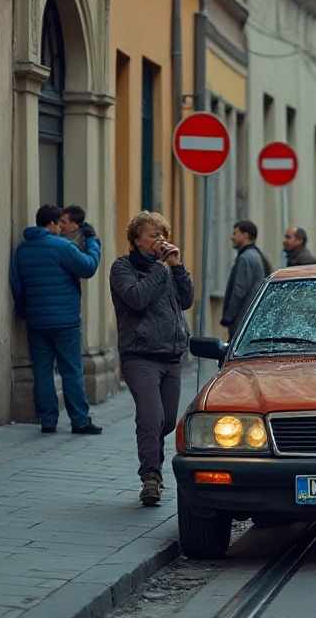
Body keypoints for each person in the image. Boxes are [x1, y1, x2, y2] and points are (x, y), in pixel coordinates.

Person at [109, 211, 194, 507]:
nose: (160, 240)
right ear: (136, 239)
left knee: (166, 421)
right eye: (153, 235)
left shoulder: (168, 269)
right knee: (150, 417)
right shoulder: (124, 267)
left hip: (170, 357)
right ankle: (151, 477)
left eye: (163, 235)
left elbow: (187, 300)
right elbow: (136, 298)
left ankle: (152, 468)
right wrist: (160, 268)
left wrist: (178, 267)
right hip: (140, 356)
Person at [9, 204, 102, 434]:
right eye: (58, 223)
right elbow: (88, 267)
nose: (61, 228)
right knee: (71, 370)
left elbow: (17, 285)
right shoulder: (63, 247)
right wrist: (93, 242)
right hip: (65, 321)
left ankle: (48, 420)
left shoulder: (21, 250)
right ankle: (79, 420)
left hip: (36, 321)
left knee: (42, 370)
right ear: (50, 224)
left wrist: (25, 312)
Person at [221, 220, 271, 339]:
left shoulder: (246, 258)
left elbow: (239, 291)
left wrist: (229, 317)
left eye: (235, 233)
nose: (231, 237)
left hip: (242, 319)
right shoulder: (256, 255)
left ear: (245, 235)